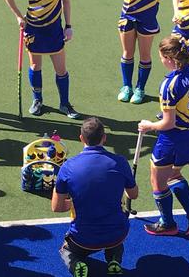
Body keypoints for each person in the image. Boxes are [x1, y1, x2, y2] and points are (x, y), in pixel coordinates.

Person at [52, 117, 138, 276]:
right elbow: (134, 194)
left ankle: (76, 263)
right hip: (116, 233)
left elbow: (56, 207)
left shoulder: (68, 166)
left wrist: (73, 203)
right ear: (104, 138)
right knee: (116, 237)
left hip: (83, 238)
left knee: (65, 250)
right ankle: (114, 260)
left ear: (81, 138)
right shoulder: (120, 162)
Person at [138, 36, 189, 236]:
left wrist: (149, 125)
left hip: (172, 139)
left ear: (169, 58)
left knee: (158, 180)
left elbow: (168, 123)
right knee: (174, 175)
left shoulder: (169, 85)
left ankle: (167, 224)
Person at [3, 0, 81, 119]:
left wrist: (68, 26)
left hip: (54, 29)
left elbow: (66, 1)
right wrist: (18, 16)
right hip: (33, 29)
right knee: (35, 66)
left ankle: (65, 104)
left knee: (61, 69)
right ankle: (37, 100)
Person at [109, 0, 167, 104]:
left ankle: (140, 88)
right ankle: (126, 86)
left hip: (147, 17)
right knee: (127, 53)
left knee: (145, 55)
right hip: (128, 14)